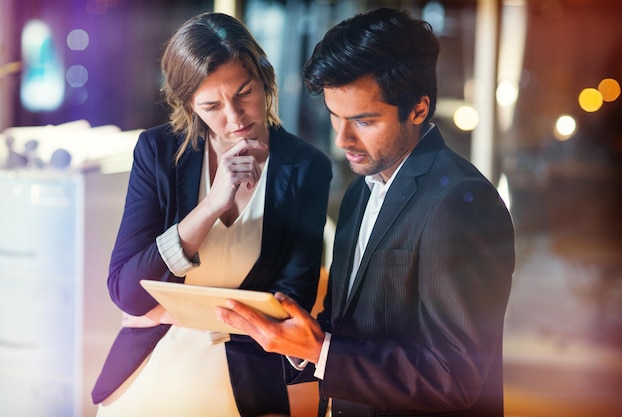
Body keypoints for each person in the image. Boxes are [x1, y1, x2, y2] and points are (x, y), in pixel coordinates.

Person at [217, 7, 515, 417]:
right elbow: (348, 328)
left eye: (363, 120)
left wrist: (322, 351)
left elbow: (457, 377)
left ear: (419, 109)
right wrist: (300, 341)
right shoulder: (360, 193)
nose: (343, 139)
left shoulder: (461, 204)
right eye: (335, 117)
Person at [91, 12, 332, 417]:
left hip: (248, 383)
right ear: (188, 104)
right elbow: (127, 291)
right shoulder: (158, 153)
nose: (235, 118)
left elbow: (293, 300)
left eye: (244, 92)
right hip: (150, 370)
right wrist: (212, 205)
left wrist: (168, 309)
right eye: (211, 105)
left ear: (265, 79)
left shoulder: (306, 167)